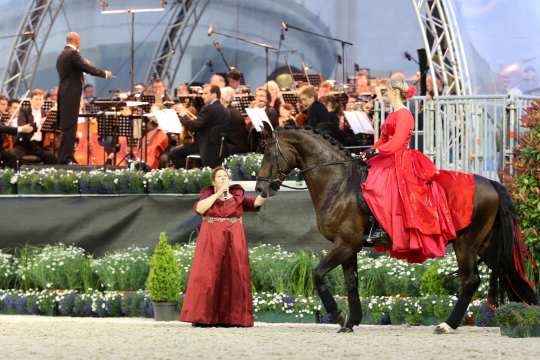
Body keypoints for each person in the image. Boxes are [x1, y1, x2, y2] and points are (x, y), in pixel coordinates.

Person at [360, 79, 458, 263]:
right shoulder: (392, 114)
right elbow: (383, 140)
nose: (386, 94)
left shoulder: (404, 115)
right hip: (387, 156)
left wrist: (378, 151)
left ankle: (382, 228)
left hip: (400, 159)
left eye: (387, 91)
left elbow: (397, 142)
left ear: (395, 92)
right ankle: (374, 224)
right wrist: (368, 152)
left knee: (378, 185)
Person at [180, 166, 267, 327]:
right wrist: (218, 194)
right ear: (214, 182)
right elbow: (200, 209)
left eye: (225, 176)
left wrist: (266, 193)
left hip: (234, 240)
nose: (223, 179)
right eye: (220, 177)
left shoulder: (237, 197)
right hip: (211, 240)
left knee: (234, 275)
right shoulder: (207, 196)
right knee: (208, 275)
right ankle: (203, 317)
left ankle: (233, 318)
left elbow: (255, 203)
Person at [56, 32, 112, 164]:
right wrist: (104, 73)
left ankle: (64, 157)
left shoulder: (61, 55)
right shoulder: (73, 54)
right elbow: (87, 68)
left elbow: (77, 68)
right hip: (71, 95)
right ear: (77, 41)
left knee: (67, 128)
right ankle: (66, 158)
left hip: (64, 94)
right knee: (70, 127)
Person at [172, 84, 229, 168]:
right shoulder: (224, 109)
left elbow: (193, 127)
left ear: (214, 95)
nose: (203, 96)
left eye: (206, 94)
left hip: (206, 147)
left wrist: (183, 115)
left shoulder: (209, 108)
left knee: (173, 153)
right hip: (218, 148)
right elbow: (204, 124)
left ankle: (187, 176)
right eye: (202, 94)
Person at [12, 89, 56, 165]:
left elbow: (50, 130)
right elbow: (23, 127)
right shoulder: (24, 111)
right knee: (11, 155)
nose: (38, 102)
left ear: (43, 102)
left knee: (51, 156)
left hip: (39, 145)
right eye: (36, 99)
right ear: (31, 100)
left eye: (40, 99)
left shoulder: (45, 113)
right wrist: (38, 123)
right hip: (25, 143)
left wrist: (50, 122)